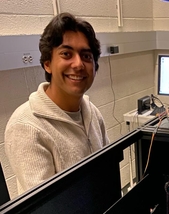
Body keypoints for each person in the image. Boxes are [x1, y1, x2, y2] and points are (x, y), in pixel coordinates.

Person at [5, 12, 109, 195]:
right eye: (66, 54)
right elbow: (46, 213)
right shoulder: (26, 127)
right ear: (47, 63)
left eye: (86, 56)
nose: (78, 64)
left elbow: (107, 171)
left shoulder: (91, 111)